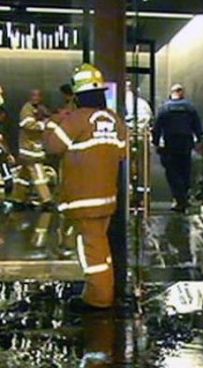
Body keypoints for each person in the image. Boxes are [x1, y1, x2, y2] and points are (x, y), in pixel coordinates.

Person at [43, 63, 127, 313]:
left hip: (81, 200)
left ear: (78, 95)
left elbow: (52, 147)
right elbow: (121, 153)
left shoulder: (76, 119)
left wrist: (55, 120)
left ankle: (99, 299)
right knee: (100, 246)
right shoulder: (114, 120)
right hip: (106, 199)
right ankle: (101, 290)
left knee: (91, 252)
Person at [152, 83, 203, 213]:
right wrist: (200, 139)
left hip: (171, 144)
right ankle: (183, 197)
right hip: (186, 144)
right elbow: (197, 125)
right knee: (185, 171)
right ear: (182, 93)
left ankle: (180, 198)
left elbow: (157, 127)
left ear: (171, 93)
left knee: (172, 172)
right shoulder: (190, 108)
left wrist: (156, 142)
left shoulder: (164, 108)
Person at [9, 89, 53, 209]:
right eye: (34, 95)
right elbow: (27, 124)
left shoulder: (41, 108)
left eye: (39, 95)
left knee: (24, 175)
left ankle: (17, 199)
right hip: (29, 149)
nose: (36, 97)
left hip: (33, 148)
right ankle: (46, 199)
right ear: (30, 96)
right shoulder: (26, 109)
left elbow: (50, 117)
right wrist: (43, 124)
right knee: (39, 174)